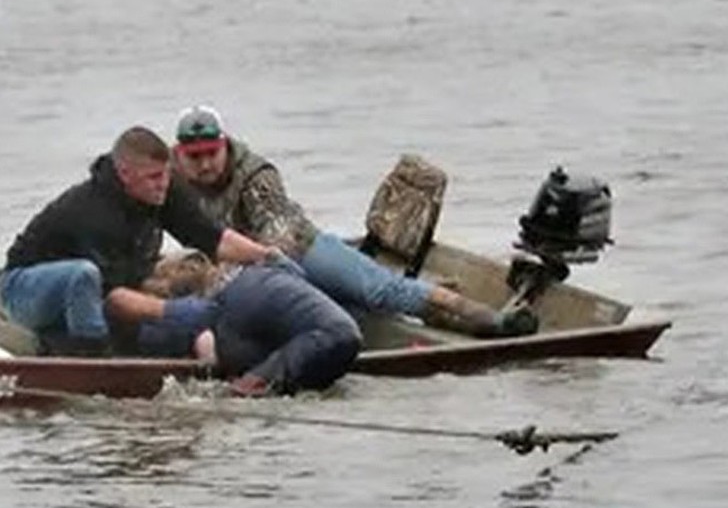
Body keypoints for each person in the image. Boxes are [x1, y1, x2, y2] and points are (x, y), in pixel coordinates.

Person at [170, 105, 538, 338]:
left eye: (211, 154)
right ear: (180, 154)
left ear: (224, 145)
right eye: (195, 156)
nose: (205, 164)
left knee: (381, 290)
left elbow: (278, 233)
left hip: (301, 249)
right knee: (357, 315)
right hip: (253, 274)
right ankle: (440, 314)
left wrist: (232, 269)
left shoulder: (255, 175)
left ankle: (488, 318)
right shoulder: (170, 182)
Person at [1, 126, 278, 356]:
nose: (164, 184)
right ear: (124, 174)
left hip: (97, 291)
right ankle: (91, 359)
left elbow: (214, 239)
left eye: (168, 174)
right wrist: (172, 311)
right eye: (154, 177)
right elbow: (112, 297)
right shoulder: (93, 212)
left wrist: (267, 256)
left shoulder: (163, 189)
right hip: (24, 290)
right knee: (83, 277)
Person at [136, 252, 363, 397]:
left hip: (324, 338)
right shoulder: (258, 273)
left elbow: (217, 356)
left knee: (236, 390)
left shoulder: (221, 311)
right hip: (342, 335)